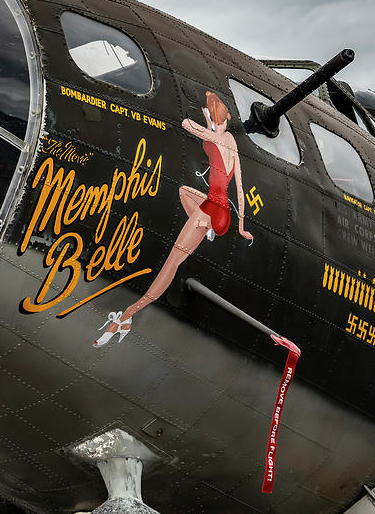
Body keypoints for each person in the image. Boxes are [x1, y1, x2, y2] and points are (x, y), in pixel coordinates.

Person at [93, 91, 254, 347]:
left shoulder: (214, 135)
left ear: (215, 118)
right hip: (220, 210)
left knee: (172, 263)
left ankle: (126, 316)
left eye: (214, 117)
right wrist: (242, 226)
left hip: (211, 211)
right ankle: (209, 228)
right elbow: (241, 188)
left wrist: (208, 124)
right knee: (183, 191)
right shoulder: (232, 141)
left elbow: (185, 124)